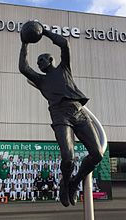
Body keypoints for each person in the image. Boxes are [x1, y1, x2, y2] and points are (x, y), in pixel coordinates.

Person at [19, 23, 103, 207]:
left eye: (41, 60)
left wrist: (45, 31)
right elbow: (23, 68)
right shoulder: (40, 81)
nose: (39, 64)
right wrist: (24, 44)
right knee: (68, 157)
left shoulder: (64, 69)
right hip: (60, 116)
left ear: (51, 60)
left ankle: (74, 182)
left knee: (97, 154)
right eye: (37, 62)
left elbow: (64, 44)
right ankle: (65, 182)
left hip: (78, 112)